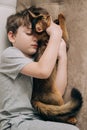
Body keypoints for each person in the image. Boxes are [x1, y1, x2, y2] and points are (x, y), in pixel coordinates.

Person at [0, 7, 79, 130]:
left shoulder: (38, 61)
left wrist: (62, 56)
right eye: (29, 33)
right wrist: (56, 33)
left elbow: (56, 91)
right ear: (12, 36)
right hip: (15, 122)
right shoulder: (10, 55)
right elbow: (43, 71)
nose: (36, 38)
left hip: (37, 120)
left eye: (38, 34)